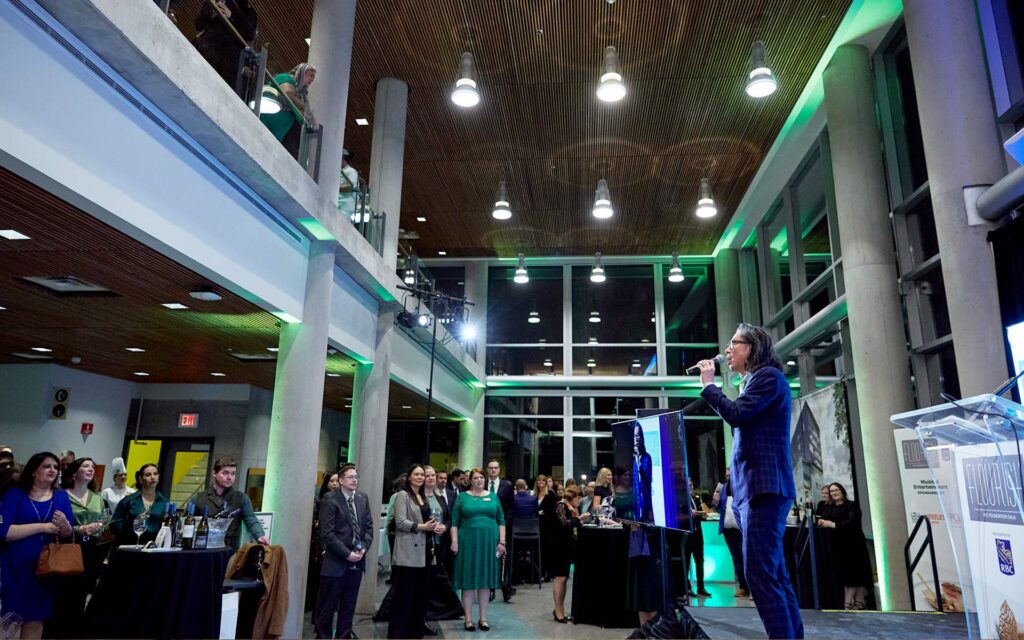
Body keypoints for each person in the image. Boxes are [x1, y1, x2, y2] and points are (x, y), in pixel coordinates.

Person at [697, 323, 803, 639]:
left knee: (760, 574)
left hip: (764, 488)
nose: (727, 350)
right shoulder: (753, 381)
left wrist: (709, 385)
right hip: (753, 490)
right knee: (774, 574)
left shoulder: (768, 377)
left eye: (734, 343)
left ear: (752, 348)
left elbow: (736, 414)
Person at [0, 452, 74, 639]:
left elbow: (67, 534)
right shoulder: (14, 494)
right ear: (33, 471)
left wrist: (65, 525)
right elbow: (4, 532)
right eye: (46, 466)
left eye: (55, 467)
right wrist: (42, 527)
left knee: (36, 618)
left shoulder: (61, 497)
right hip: (15, 567)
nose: (53, 470)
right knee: (10, 618)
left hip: (45, 569)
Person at [49, 458, 109, 638]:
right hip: (68, 546)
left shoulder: (97, 498)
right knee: (63, 593)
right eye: (86, 466)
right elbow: (56, 522)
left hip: (91, 549)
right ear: (74, 472)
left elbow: (105, 521)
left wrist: (99, 527)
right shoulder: (62, 495)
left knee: (82, 594)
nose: (91, 469)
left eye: (92, 466)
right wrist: (80, 529)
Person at [314, 464, 372, 640]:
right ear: (340, 480)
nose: (354, 480)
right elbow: (327, 534)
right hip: (336, 562)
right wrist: (347, 554)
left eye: (356, 477)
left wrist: (363, 548)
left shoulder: (362, 498)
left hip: (357, 560)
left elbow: (368, 527)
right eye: (350, 477)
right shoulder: (330, 500)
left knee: (349, 605)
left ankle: (344, 635)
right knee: (327, 607)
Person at [388, 465, 444, 640]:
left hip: (426, 551)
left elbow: (424, 518)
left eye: (422, 475)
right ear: (409, 477)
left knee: (420, 596)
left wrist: (433, 526)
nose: (420, 477)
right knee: (404, 596)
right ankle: (398, 634)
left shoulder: (422, 496)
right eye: (416, 474)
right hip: (408, 553)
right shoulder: (402, 496)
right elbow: (400, 522)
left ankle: (415, 632)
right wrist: (423, 527)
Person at [450, 467, 505, 632]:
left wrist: (502, 542)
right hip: (467, 543)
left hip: (489, 543)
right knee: (467, 581)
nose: (479, 480)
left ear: (485, 479)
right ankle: (468, 619)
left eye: (481, 477)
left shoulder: (493, 496)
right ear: (470, 480)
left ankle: (483, 618)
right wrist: (454, 542)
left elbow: (501, 520)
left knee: (485, 580)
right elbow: (454, 522)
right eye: (475, 478)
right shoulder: (462, 497)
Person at [191, 458, 269, 548]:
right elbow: (187, 523)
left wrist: (260, 535)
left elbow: (251, 520)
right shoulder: (198, 498)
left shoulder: (241, 498)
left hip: (230, 550)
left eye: (233, 473)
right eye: (225, 473)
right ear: (214, 473)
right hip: (202, 549)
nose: (230, 477)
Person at [818, 482, 873, 609]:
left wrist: (833, 525)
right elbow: (824, 517)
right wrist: (822, 521)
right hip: (838, 546)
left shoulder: (852, 505)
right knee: (847, 576)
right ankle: (859, 603)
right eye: (831, 491)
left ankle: (847, 605)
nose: (834, 493)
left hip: (853, 545)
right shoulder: (830, 507)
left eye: (836, 490)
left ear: (842, 491)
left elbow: (852, 523)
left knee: (854, 575)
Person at [192, 0, 257, 89]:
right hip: (204, 52)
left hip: (226, 65)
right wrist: (210, 6)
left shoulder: (249, 12)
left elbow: (250, 34)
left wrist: (232, 16)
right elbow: (198, 25)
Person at [259, 63, 317, 158]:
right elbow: (288, 94)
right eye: (310, 75)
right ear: (303, 72)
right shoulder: (286, 78)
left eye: (313, 78)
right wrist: (305, 109)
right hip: (273, 116)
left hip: (285, 129)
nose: (312, 79)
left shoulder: (302, 95)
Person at [551, 485, 591, 623]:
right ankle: (558, 611)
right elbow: (563, 524)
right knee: (560, 578)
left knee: (564, 579)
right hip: (559, 547)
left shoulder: (573, 509)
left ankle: (561, 609)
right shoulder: (561, 506)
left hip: (568, 547)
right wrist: (579, 519)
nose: (580, 500)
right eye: (578, 498)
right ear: (571, 497)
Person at [110, 463, 168, 547]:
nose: (153, 477)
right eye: (148, 475)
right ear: (140, 479)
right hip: (129, 546)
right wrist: (131, 527)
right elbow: (114, 524)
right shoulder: (129, 500)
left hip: (153, 547)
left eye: (155, 474)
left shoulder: (164, 502)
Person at [484, 459, 515, 601]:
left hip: (503, 525)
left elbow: (511, 507)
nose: (493, 470)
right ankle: (490, 589)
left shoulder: (506, 485)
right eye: (491, 468)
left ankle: (505, 588)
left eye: (496, 468)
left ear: (499, 469)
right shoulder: (482, 484)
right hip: (486, 525)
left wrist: (505, 523)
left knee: (503, 557)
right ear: (487, 469)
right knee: (489, 556)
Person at [716, 470, 749, 597]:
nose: (728, 478)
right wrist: (716, 501)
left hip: (741, 528)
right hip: (727, 529)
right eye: (727, 476)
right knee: (736, 558)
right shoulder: (723, 489)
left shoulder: (743, 486)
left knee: (744, 557)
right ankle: (743, 587)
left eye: (730, 475)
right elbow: (719, 508)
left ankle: (751, 587)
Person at [684, 477, 711, 598]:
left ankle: (701, 587)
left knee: (700, 560)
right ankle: (687, 587)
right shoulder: (682, 500)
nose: (690, 487)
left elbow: (701, 514)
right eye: (688, 485)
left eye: (691, 485)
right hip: (688, 534)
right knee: (686, 561)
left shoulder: (695, 498)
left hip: (698, 533)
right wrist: (690, 514)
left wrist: (702, 514)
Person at [632, 423, 654, 523]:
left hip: (645, 499)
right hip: (634, 500)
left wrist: (638, 461)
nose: (636, 439)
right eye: (634, 436)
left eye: (638, 435)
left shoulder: (647, 457)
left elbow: (647, 480)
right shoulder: (632, 459)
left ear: (641, 437)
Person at [337, 149, 361, 222]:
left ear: (344, 159)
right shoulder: (338, 171)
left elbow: (351, 187)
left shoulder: (351, 171)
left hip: (346, 206)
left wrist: (336, 187)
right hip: (338, 203)